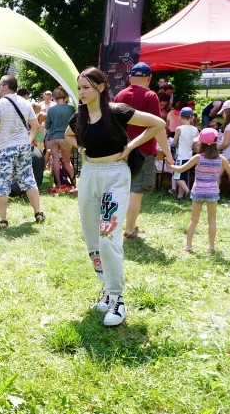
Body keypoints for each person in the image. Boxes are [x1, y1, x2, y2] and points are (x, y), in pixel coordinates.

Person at [64, 67, 166, 327]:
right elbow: (67, 135)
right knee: (91, 236)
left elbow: (158, 124)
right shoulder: (80, 117)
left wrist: (130, 146)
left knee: (108, 235)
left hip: (115, 175)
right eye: (79, 88)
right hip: (89, 175)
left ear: (100, 87)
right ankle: (106, 289)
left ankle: (118, 298)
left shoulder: (118, 111)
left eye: (86, 87)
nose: (82, 92)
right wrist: (81, 146)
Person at [114, 62, 173, 239]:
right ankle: (130, 230)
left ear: (130, 77)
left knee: (123, 190)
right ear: (149, 78)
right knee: (136, 192)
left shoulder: (119, 95)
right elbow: (159, 127)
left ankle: (122, 226)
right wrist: (168, 155)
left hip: (121, 151)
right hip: (143, 151)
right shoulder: (150, 95)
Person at [167, 129, 230, 253]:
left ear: (201, 143)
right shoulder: (222, 159)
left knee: (194, 219)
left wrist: (170, 166)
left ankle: (188, 246)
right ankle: (211, 247)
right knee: (212, 219)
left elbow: (180, 170)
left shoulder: (197, 158)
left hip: (198, 192)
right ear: (217, 142)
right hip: (212, 192)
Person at [0, 75, 44, 228]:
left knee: (1, 184)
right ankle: (38, 212)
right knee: (29, 180)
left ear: (5, 87)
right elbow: (35, 126)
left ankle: (3, 221)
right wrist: (28, 140)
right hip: (23, 147)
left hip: (4, 148)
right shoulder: (25, 102)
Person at [44, 86, 77, 192]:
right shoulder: (71, 108)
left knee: (55, 161)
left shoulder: (51, 110)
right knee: (67, 162)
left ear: (54, 96)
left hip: (53, 138)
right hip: (66, 138)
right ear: (65, 96)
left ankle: (58, 185)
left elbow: (47, 126)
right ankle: (73, 184)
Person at [172, 106, 199, 201]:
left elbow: (174, 143)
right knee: (183, 177)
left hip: (180, 156)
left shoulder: (179, 129)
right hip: (190, 156)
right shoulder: (195, 130)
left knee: (177, 177)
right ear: (192, 118)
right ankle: (180, 196)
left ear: (180, 117)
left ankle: (189, 192)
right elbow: (197, 143)